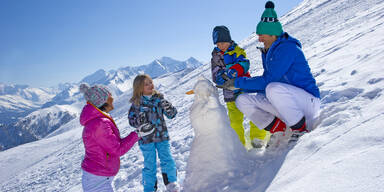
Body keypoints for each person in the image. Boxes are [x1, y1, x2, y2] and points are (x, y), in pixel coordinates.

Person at [218, 1, 321, 144]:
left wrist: (237, 82)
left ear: (272, 33)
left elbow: (270, 79)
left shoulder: (287, 48)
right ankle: (280, 129)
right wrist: (239, 87)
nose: (259, 38)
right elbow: (266, 84)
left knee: (272, 88)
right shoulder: (268, 51)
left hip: (307, 102)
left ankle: (300, 128)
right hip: (288, 103)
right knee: (242, 100)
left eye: (261, 35)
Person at [211, 25, 269, 148]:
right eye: (218, 43)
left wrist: (234, 71)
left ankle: (257, 139)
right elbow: (215, 74)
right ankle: (239, 146)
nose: (220, 46)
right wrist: (220, 78)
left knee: (254, 113)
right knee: (235, 121)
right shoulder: (215, 57)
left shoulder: (237, 51)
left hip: (244, 89)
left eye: (223, 42)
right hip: (229, 94)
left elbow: (244, 63)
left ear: (228, 40)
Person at [79, 83, 139, 192]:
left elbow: (114, 144)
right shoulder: (99, 124)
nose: (113, 97)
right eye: (109, 95)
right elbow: (117, 149)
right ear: (103, 101)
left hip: (98, 176)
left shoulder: (99, 120)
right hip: (98, 178)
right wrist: (137, 134)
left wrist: (137, 133)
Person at [128, 74, 179, 192]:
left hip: (162, 136)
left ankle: (172, 184)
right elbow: (131, 121)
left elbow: (172, 114)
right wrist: (138, 121)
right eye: (146, 84)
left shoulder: (159, 99)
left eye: (150, 82)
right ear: (139, 88)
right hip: (146, 139)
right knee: (150, 165)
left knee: (167, 159)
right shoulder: (136, 103)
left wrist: (168, 107)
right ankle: (149, 188)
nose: (150, 85)